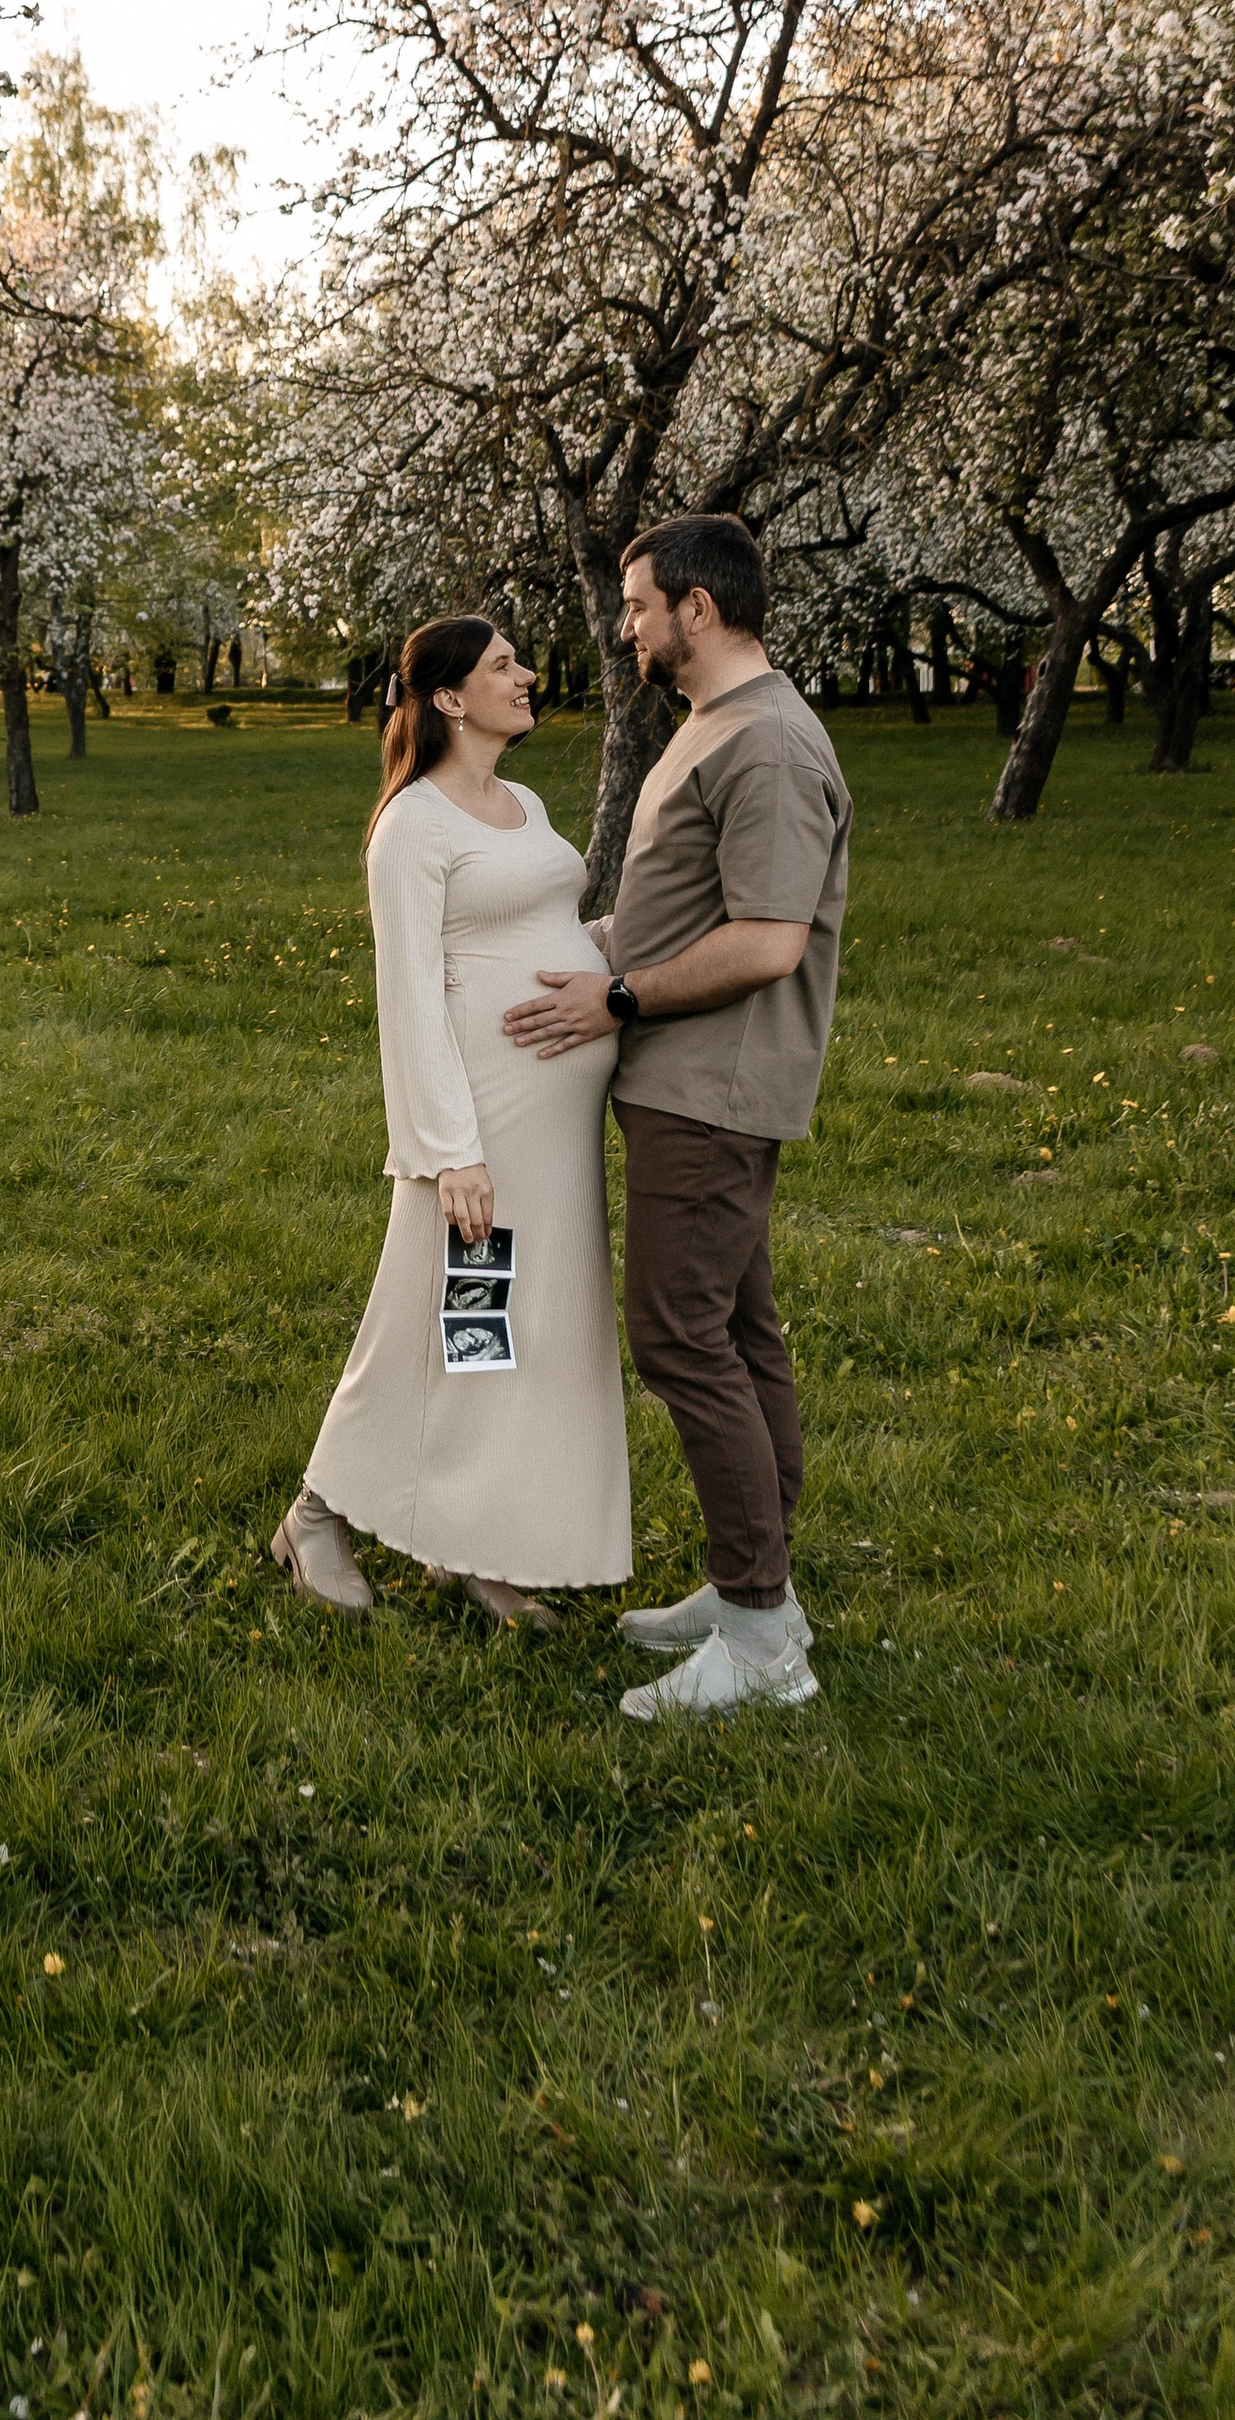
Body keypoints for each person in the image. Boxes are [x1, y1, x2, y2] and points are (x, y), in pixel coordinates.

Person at [506, 513, 850, 1720]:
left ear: (698, 611)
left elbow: (764, 940)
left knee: (678, 1340)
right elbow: (675, 913)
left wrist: (614, 995)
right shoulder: (714, 730)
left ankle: (761, 1648)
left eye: (640, 604)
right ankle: (755, 1592)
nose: (625, 624)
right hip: (685, 1082)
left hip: (712, 1091)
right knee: (737, 1338)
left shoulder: (763, 748)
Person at [274, 615, 631, 1625]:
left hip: (554, 1131)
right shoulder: (413, 824)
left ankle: (470, 1540)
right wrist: (450, 1154)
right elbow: (410, 1000)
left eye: (520, 659)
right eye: (502, 666)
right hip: (482, 1127)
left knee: (512, 1330)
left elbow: (544, 925)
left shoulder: (521, 799)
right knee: (440, 1319)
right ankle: (315, 1513)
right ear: (446, 698)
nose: (525, 676)